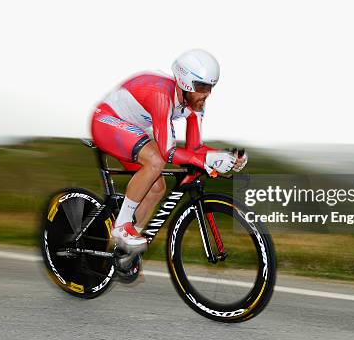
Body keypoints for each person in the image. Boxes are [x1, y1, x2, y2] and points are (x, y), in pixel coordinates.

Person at [90, 49, 248, 253]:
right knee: (156, 161)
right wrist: (206, 158)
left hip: (132, 130)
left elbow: (195, 149)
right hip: (107, 120)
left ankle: (124, 250)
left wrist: (224, 156)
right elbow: (168, 152)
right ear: (185, 83)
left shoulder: (195, 103)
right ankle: (121, 227)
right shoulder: (161, 95)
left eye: (210, 87)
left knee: (156, 188)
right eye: (202, 87)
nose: (207, 94)